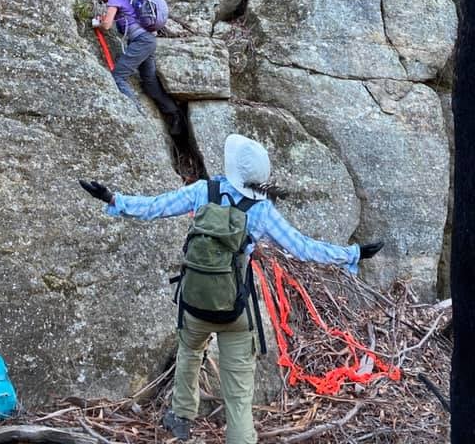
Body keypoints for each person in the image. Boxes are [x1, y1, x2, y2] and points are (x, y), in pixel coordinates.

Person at [80, 134, 384, 444]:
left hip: (194, 302)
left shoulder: (204, 191)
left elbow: (156, 206)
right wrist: (352, 254)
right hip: (235, 309)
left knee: (189, 350)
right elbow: (303, 248)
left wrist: (112, 199)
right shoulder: (263, 212)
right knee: (238, 393)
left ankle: (181, 416)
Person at [93, 0, 182, 132]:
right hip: (148, 41)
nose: (105, 2)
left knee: (118, 76)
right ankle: (175, 115)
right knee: (149, 82)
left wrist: (97, 23)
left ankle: (136, 112)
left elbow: (106, 25)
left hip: (141, 41)